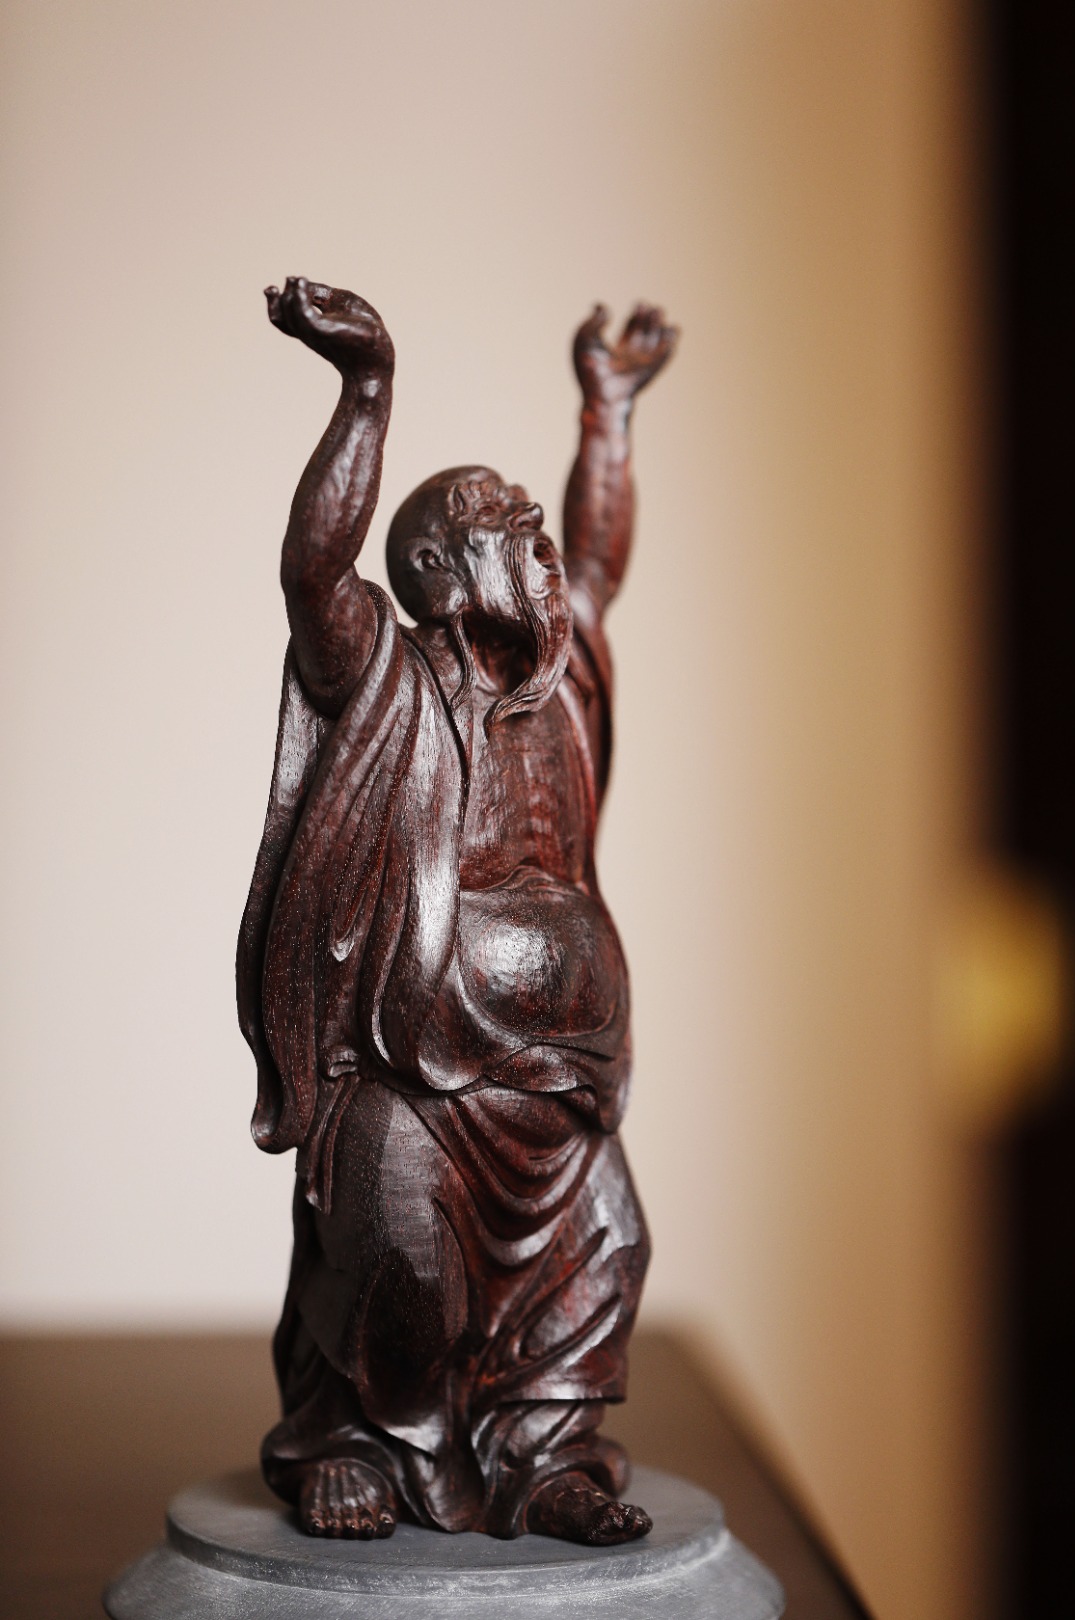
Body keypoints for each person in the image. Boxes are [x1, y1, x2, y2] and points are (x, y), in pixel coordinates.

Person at [238, 277, 677, 1544]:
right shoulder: (386, 677)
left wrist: (606, 414)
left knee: (609, 1243)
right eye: (499, 516)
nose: (532, 528)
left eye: (527, 512)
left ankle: (549, 1458)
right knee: (395, 1249)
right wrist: (366, 388)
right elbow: (313, 570)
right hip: (418, 1075)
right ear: (434, 571)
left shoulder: (559, 683)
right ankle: (353, 1441)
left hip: (561, 1080)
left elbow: (596, 558)